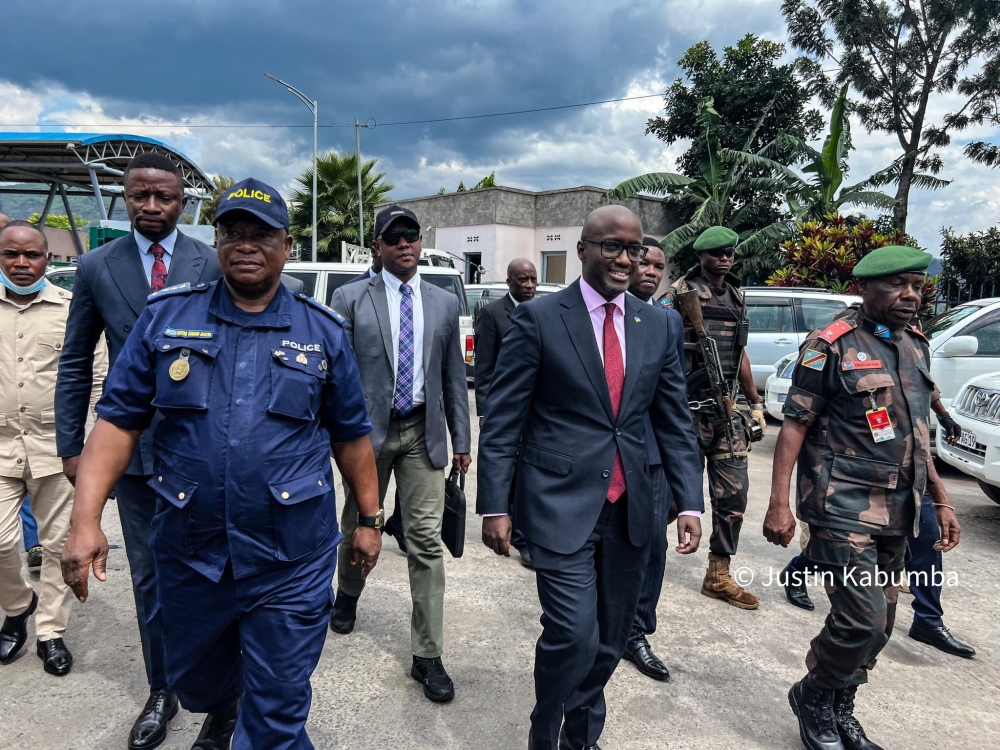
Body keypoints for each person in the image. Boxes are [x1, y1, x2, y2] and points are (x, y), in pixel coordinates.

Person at [60, 178, 382, 750]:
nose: (247, 244)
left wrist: (369, 519)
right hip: (191, 551)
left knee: (277, 712)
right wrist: (85, 521)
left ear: (287, 244)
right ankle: (225, 705)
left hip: (290, 557)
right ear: (216, 241)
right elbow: (116, 422)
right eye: (234, 232)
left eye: (262, 234)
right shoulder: (166, 318)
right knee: (196, 682)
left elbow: (352, 436)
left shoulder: (322, 332)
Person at [478, 206, 703, 750]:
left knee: (610, 640)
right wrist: (494, 505)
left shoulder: (661, 324)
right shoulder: (540, 319)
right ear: (583, 250)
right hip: (558, 503)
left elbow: (672, 420)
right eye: (612, 247)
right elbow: (504, 420)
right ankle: (546, 729)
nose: (625, 259)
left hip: (633, 508)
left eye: (633, 249)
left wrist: (690, 502)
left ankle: (580, 735)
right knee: (574, 635)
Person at [764, 245, 962, 750]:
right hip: (841, 505)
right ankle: (813, 695)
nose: (911, 296)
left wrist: (941, 498)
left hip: (902, 509)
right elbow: (794, 425)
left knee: (883, 622)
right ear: (864, 288)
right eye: (898, 285)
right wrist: (779, 503)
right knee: (862, 619)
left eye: (917, 286)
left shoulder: (917, 345)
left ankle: (839, 705)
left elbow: (920, 434)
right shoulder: (829, 344)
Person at [55, 153, 222, 750]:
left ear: (184, 203)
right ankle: (162, 689)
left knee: (215, 574)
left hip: (207, 450)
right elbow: (76, 362)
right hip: (135, 458)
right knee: (151, 579)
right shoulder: (98, 266)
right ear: (125, 198)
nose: (152, 207)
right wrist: (71, 446)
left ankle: (219, 697)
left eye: (165, 198)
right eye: (140, 196)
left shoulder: (213, 259)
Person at [330, 205, 472, 703]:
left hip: (422, 433)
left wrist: (462, 441)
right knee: (357, 527)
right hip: (366, 437)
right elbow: (338, 377)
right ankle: (347, 595)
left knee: (426, 541)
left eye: (411, 235)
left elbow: (454, 376)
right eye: (394, 237)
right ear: (378, 246)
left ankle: (427, 654)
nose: (405, 244)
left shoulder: (441, 301)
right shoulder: (350, 298)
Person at [0, 221, 107, 676]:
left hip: (55, 447)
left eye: (32, 255)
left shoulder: (69, 309)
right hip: (1, 444)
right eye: (10, 255)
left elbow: (99, 379)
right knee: (2, 541)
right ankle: (18, 603)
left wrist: (96, 447)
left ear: (49, 259)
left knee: (58, 544)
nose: (21, 264)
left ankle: (50, 631)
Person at [660, 226, 765, 610]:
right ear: (701, 256)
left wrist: (754, 403)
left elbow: (740, 356)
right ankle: (633, 557)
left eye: (729, 253)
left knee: (733, 495)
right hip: (686, 412)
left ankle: (718, 575)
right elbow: (659, 349)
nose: (725, 258)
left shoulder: (736, 296)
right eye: (717, 253)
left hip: (726, 412)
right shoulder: (678, 294)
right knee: (672, 500)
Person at [621, 237, 678, 681]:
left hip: (652, 454)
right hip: (603, 455)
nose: (651, 272)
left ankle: (636, 630)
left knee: (653, 546)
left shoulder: (668, 322)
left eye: (659, 266)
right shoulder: (595, 313)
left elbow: (673, 402)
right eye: (645, 262)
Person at [473, 257, 538, 567]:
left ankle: (528, 530)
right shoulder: (492, 314)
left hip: (536, 409)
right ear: (509, 282)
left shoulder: (542, 312)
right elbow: (484, 369)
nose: (528, 285)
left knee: (530, 470)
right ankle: (519, 537)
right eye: (522, 280)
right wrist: (485, 411)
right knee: (509, 471)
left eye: (532, 280)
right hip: (505, 409)